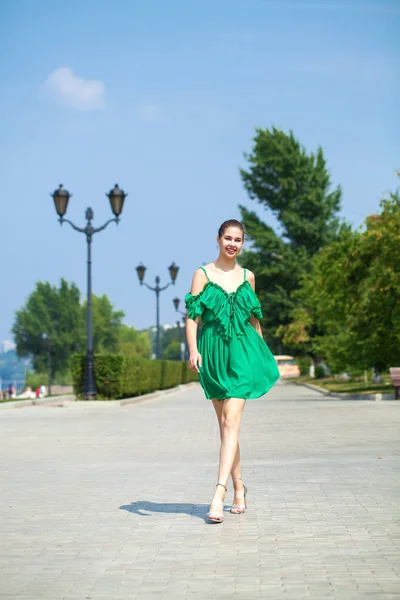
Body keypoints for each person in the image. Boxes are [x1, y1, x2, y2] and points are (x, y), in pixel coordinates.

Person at [185, 219, 280, 523]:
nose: (232, 244)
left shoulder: (248, 276)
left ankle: (218, 493)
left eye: (238, 240)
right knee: (227, 428)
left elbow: (254, 319)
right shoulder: (202, 274)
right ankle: (240, 487)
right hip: (212, 353)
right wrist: (193, 350)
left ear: (242, 243)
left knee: (231, 419)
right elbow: (192, 317)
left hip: (242, 353)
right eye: (228, 238)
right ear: (218, 239)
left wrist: (261, 354)